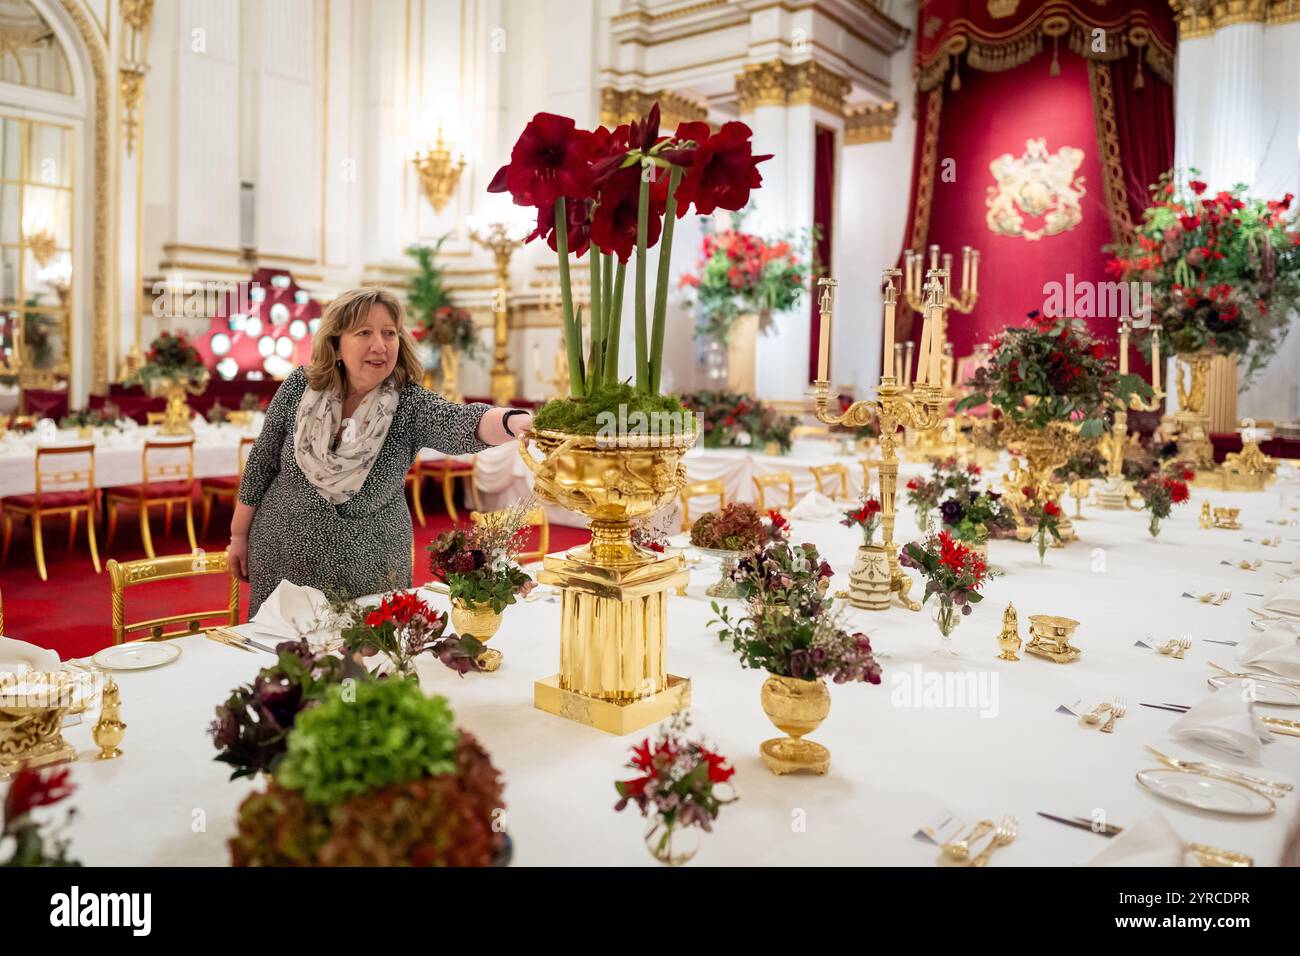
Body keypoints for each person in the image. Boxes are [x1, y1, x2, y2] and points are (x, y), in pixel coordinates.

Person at [227, 287, 532, 617]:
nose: (380, 345)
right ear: (336, 343)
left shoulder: (408, 403)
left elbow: (456, 422)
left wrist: (512, 420)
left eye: (390, 333)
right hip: (280, 560)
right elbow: (262, 461)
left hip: (369, 572)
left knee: (365, 662)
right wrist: (238, 535)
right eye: (364, 333)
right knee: (282, 662)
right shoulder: (300, 386)